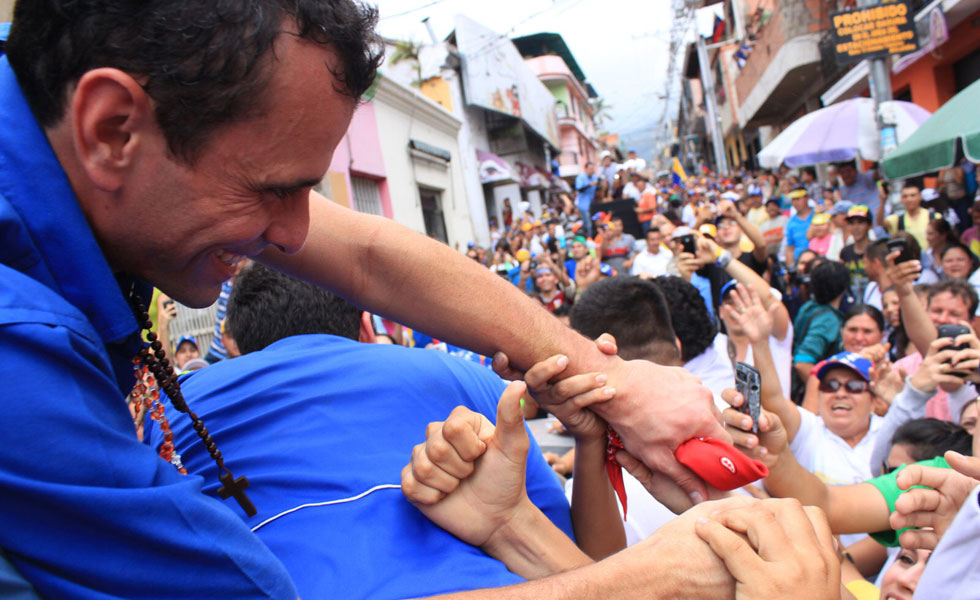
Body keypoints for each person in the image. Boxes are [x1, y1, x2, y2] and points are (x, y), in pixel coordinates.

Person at [0, 2, 727, 597]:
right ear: (111, 127)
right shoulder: (18, 342)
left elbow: (369, 256)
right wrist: (649, 581)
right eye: (274, 191)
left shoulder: (57, 120)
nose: (294, 238)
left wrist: (616, 384)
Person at [791, 260, 852, 383]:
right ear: (843, 289)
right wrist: (825, 390)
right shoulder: (828, 320)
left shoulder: (808, 307)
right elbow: (802, 363)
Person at [784, 187, 814, 264]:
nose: (795, 202)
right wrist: (790, 268)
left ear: (807, 198)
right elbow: (790, 249)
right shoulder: (790, 222)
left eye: (798, 199)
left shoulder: (818, 213)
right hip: (800, 263)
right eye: (793, 199)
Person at [574, 162, 599, 236]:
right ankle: (589, 239)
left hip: (592, 204)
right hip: (583, 205)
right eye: (590, 169)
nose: (591, 170)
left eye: (592, 169)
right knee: (588, 224)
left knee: (591, 223)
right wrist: (589, 185)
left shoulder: (594, 177)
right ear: (585, 169)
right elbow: (579, 189)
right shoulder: (580, 177)